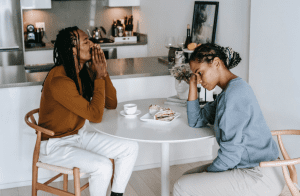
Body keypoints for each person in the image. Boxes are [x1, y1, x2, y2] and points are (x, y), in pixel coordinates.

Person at [38, 26, 138, 196]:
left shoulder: (83, 72)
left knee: (130, 147)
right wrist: (98, 77)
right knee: (103, 166)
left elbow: (111, 103)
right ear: (73, 50)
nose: (92, 43)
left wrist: (103, 72)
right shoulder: (59, 80)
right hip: (54, 145)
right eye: (86, 41)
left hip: (78, 136)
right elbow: (95, 116)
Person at [173, 43, 283, 196]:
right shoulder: (229, 92)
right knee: (187, 178)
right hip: (252, 168)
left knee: (181, 187)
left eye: (200, 73)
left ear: (216, 63)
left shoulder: (234, 96)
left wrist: (208, 173)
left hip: (259, 176)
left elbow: (231, 155)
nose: (198, 80)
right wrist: (192, 85)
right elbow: (196, 120)